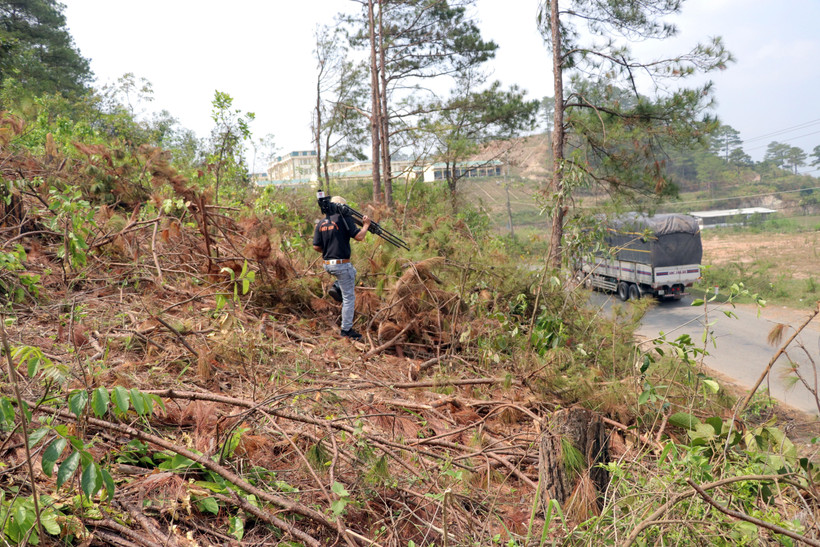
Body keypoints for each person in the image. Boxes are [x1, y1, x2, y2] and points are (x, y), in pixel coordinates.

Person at [312, 196, 371, 340]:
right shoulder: (344, 219)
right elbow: (359, 236)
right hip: (342, 265)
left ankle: (337, 285)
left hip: (328, 265)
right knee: (349, 298)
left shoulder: (322, 222)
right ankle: (346, 330)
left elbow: (316, 247)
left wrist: (328, 251)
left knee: (352, 272)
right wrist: (366, 225)